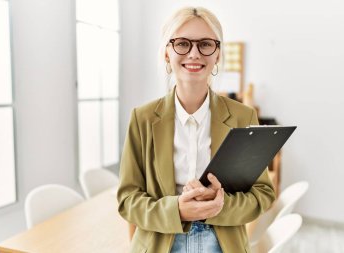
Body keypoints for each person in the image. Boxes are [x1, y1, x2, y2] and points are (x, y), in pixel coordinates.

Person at [117, 6, 275, 253]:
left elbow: (263, 194)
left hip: (222, 244)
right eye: (182, 44)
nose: (194, 53)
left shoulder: (244, 116)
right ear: (167, 53)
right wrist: (177, 210)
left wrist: (220, 206)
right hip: (162, 243)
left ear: (218, 55)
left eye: (205, 44)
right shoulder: (142, 118)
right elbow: (127, 200)